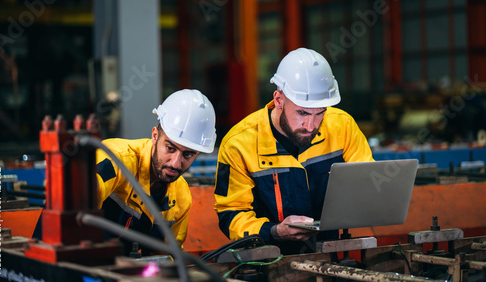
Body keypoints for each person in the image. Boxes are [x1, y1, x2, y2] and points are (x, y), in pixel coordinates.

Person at [213, 48, 374, 254]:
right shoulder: (238, 144)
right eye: (302, 113)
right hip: (268, 259)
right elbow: (231, 214)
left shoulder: (343, 126)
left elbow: (368, 185)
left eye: (320, 113)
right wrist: (274, 231)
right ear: (278, 100)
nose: (310, 125)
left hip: (331, 255)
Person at [96, 89, 216, 254]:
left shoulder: (181, 197)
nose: (175, 163)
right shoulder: (115, 160)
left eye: (188, 154)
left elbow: (169, 257)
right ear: (154, 136)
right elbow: (80, 209)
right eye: (170, 148)